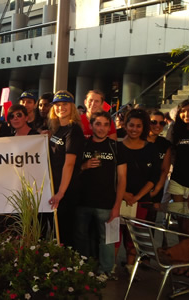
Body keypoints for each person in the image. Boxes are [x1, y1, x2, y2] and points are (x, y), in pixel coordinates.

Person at [74, 111, 127, 280]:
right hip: (82, 201)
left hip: (107, 203)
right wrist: (84, 166)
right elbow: (71, 170)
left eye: (106, 124)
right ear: (91, 126)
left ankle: (105, 271)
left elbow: (122, 178)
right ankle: (83, 267)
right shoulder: (82, 145)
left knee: (108, 239)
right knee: (81, 236)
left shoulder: (117, 147)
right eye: (98, 124)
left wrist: (117, 205)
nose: (102, 128)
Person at [117, 108, 160, 274]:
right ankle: (110, 267)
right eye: (131, 125)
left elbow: (154, 177)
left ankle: (130, 265)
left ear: (143, 128)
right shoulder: (117, 147)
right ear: (125, 126)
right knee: (115, 235)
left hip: (141, 200)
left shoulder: (151, 149)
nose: (134, 129)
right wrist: (123, 194)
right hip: (118, 198)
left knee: (133, 236)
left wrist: (137, 197)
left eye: (138, 126)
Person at [47, 91, 85, 247]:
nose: (60, 108)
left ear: (72, 107)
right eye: (57, 105)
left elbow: (69, 163)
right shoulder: (57, 129)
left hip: (66, 191)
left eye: (65, 104)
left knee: (65, 234)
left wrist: (61, 192)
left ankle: (67, 267)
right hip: (55, 187)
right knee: (56, 232)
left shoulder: (73, 130)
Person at [168, 100, 189, 237]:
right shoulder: (175, 129)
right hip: (177, 182)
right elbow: (170, 152)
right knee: (181, 224)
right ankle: (183, 255)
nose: (186, 114)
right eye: (183, 111)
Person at [146, 110, 172, 222]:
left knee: (149, 225)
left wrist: (156, 190)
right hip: (136, 188)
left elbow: (165, 170)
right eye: (154, 122)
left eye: (161, 123)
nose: (157, 126)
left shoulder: (165, 144)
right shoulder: (138, 140)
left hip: (155, 191)